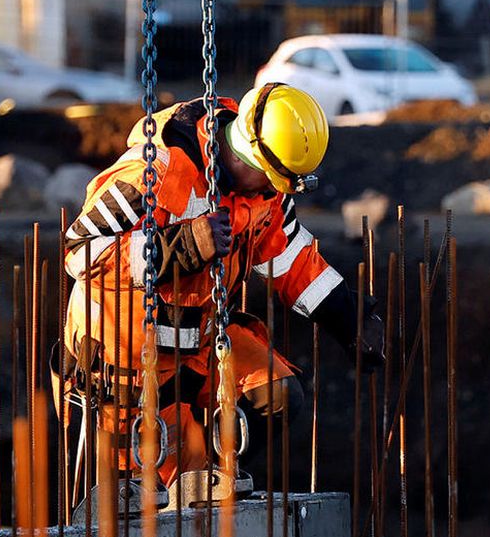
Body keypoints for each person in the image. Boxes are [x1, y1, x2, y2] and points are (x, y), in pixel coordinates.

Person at [59, 84, 383, 501]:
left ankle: (208, 481)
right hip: (122, 358)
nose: (275, 189)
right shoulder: (157, 170)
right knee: (134, 501)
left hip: (199, 346)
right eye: (270, 177)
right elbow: (79, 251)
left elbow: (289, 257)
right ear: (247, 150)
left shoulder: (264, 190)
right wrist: (179, 248)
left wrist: (345, 313)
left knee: (276, 394)